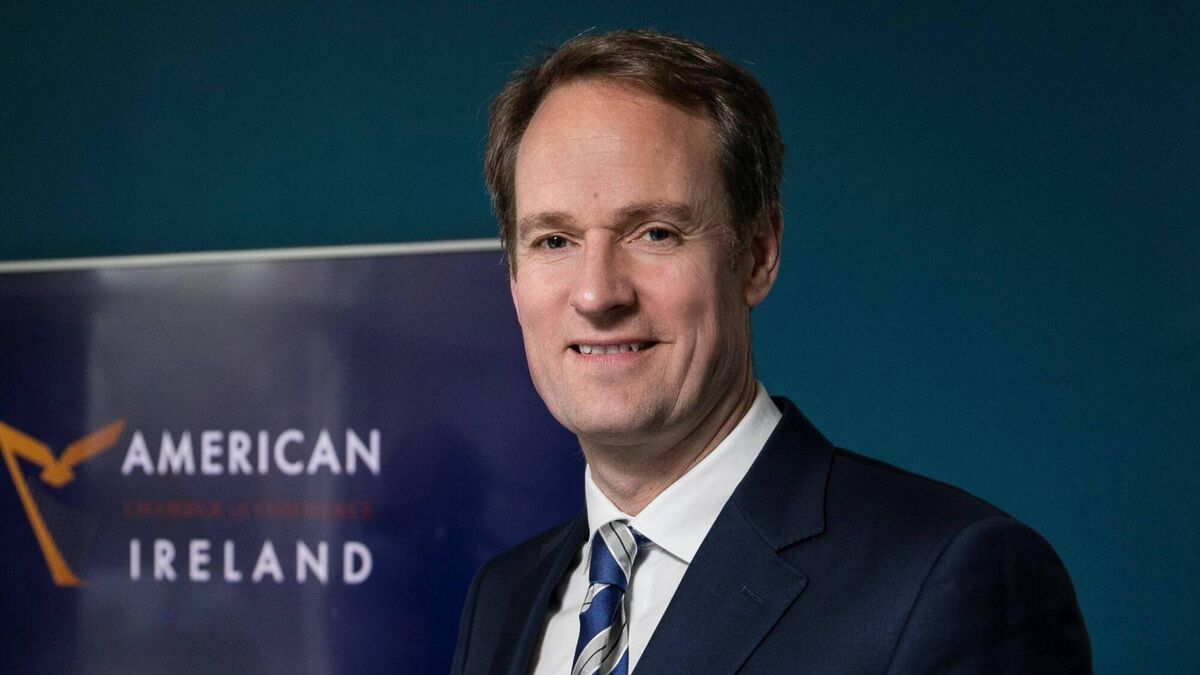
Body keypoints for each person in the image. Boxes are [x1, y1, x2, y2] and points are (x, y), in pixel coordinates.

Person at [452, 29, 1091, 674]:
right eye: (554, 241)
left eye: (655, 233)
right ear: (514, 277)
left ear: (758, 256)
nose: (596, 294)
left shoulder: (949, 580)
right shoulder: (505, 597)